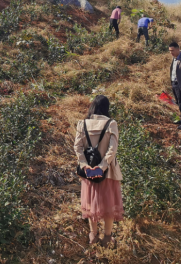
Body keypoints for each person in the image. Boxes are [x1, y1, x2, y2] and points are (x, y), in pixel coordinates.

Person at [74, 95, 123, 247]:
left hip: (88, 172)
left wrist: (85, 165)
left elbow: (78, 147)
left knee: (90, 203)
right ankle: (107, 237)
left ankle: (93, 235)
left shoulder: (82, 124)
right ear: (106, 108)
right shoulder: (111, 123)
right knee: (108, 204)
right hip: (107, 172)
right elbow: (112, 149)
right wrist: (101, 167)